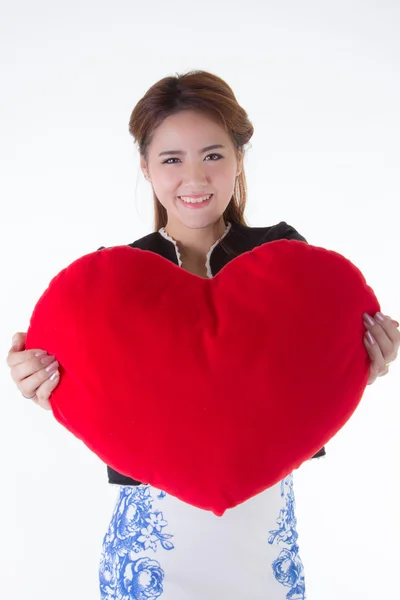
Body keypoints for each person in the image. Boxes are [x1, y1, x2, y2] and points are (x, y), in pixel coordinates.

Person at [7, 70, 400, 600]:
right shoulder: (111, 283)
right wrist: (50, 388)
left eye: (213, 155)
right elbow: (112, 405)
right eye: (172, 159)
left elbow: (294, 398)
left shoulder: (288, 260)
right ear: (145, 166)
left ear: (240, 157)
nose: (194, 178)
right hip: (149, 549)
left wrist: (359, 368)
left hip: (262, 541)